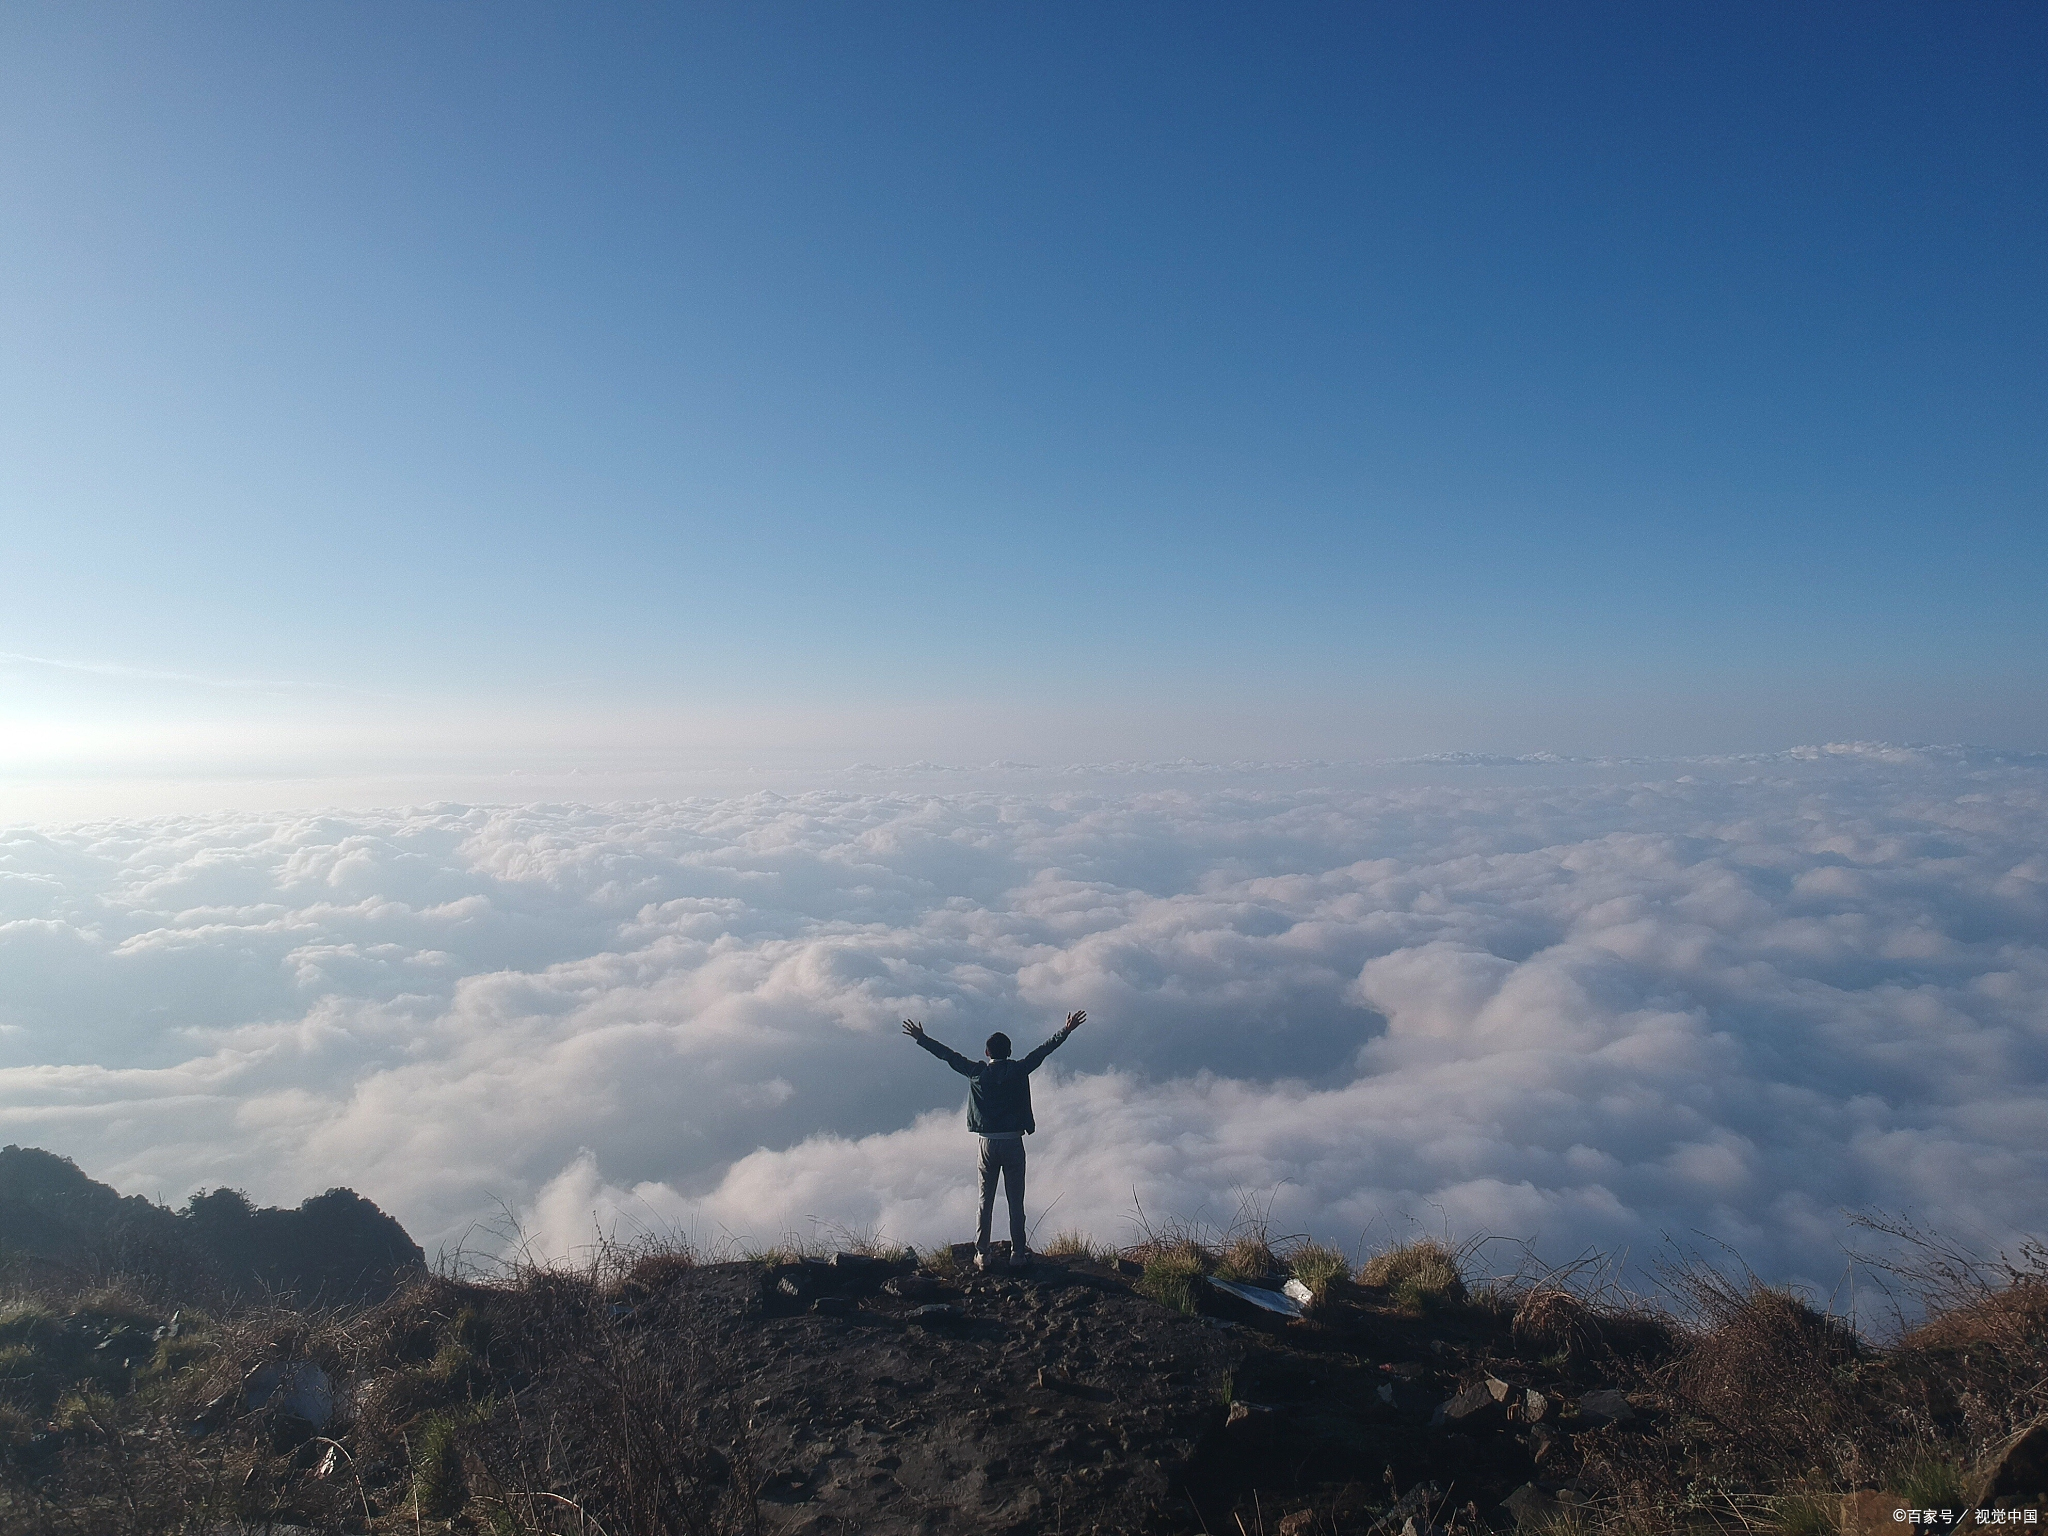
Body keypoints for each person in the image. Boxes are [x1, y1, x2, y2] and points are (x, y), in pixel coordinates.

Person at [900, 1010, 1085, 1271]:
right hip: (1013, 1142)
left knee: (985, 1200)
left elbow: (948, 1056)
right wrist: (1065, 1030)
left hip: (986, 1143)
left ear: (987, 1053)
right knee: (1015, 1200)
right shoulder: (1019, 1069)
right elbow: (1043, 1051)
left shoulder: (977, 1072)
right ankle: (1018, 1254)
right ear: (1008, 1052)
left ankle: (983, 1255)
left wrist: (922, 1037)